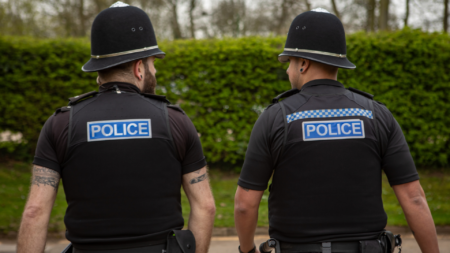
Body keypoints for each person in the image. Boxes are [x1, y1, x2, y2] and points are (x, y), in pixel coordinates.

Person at [234, 9, 440, 253]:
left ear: (303, 64)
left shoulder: (276, 118)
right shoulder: (376, 115)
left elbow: (245, 204)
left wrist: (247, 250)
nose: (288, 70)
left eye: (289, 62)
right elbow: (414, 198)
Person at [17, 2, 215, 253]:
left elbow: (35, 211)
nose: (155, 70)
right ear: (139, 68)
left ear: (99, 70)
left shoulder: (60, 124)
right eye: (153, 62)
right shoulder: (175, 121)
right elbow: (205, 206)